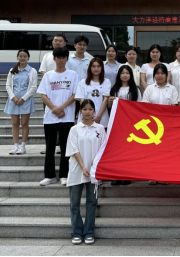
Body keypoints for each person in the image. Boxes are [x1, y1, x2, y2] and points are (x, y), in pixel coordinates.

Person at [37, 47, 79, 187]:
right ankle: (49, 175)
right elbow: (43, 95)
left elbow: (75, 94)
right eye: (58, 57)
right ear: (54, 59)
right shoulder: (48, 75)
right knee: (50, 147)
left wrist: (61, 108)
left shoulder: (73, 74)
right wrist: (54, 109)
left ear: (67, 59)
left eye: (63, 57)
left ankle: (64, 175)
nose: (61, 60)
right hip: (50, 117)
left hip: (67, 117)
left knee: (66, 147)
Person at [67, 99, 106, 246]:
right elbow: (74, 149)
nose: (87, 112)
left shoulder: (100, 128)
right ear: (80, 111)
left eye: (90, 109)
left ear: (94, 111)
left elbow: (104, 148)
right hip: (77, 170)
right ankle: (77, 232)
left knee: (92, 202)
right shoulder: (75, 129)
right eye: (85, 109)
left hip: (94, 171)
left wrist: (96, 163)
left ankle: (89, 232)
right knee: (74, 203)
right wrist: (83, 166)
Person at [142, 63, 179, 186]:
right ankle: (152, 175)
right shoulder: (149, 89)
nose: (160, 76)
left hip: (168, 125)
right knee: (153, 151)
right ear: (154, 75)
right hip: (153, 125)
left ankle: (164, 175)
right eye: (157, 73)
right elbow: (145, 106)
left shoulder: (172, 89)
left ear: (166, 75)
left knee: (166, 151)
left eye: (162, 73)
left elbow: (174, 106)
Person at [109, 64, 142, 187]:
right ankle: (115, 175)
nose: (125, 75)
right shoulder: (114, 89)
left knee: (128, 150)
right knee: (116, 150)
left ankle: (126, 175)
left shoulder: (135, 89)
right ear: (119, 75)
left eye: (127, 73)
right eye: (122, 73)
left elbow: (139, 106)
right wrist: (110, 102)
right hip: (117, 123)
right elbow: (109, 107)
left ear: (131, 75)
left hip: (131, 124)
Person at [4, 49, 38, 155]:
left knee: (24, 123)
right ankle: (15, 145)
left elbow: (33, 87)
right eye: (20, 56)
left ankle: (23, 146)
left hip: (26, 100)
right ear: (17, 57)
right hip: (13, 100)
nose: (22, 58)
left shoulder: (32, 71)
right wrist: (13, 97)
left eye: (25, 56)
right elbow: (8, 85)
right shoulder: (12, 70)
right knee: (14, 124)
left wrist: (23, 98)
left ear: (28, 58)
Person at [75, 58, 111, 128]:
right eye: (93, 66)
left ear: (102, 68)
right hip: (86, 116)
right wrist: (87, 115)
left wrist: (98, 116)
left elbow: (105, 100)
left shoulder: (106, 82)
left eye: (98, 66)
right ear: (90, 68)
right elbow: (82, 101)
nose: (96, 69)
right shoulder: (83, 82)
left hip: (101, 117)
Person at [67, 36, 91, 120]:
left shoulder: (90, 61)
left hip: (85, 94)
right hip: (70, 94)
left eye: (84, 45)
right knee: (70, 117)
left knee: (85, 118)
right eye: (79, 44)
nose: (82, 47)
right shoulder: (68, 59)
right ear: (75, 45)